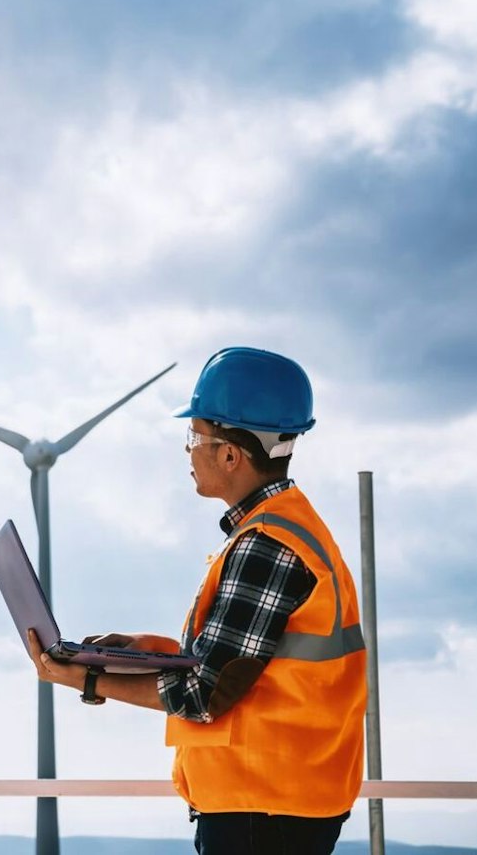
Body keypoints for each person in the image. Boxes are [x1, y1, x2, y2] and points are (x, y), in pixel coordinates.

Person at [26, 347, 367, 855]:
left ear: (230, 454)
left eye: (195, 437)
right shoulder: (282, 531)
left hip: (264, 811)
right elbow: (239, 662)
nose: (188, 451)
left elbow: (205, 695)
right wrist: (144, 649)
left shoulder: (266, 545)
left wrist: (88, 677)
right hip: (280, 801)